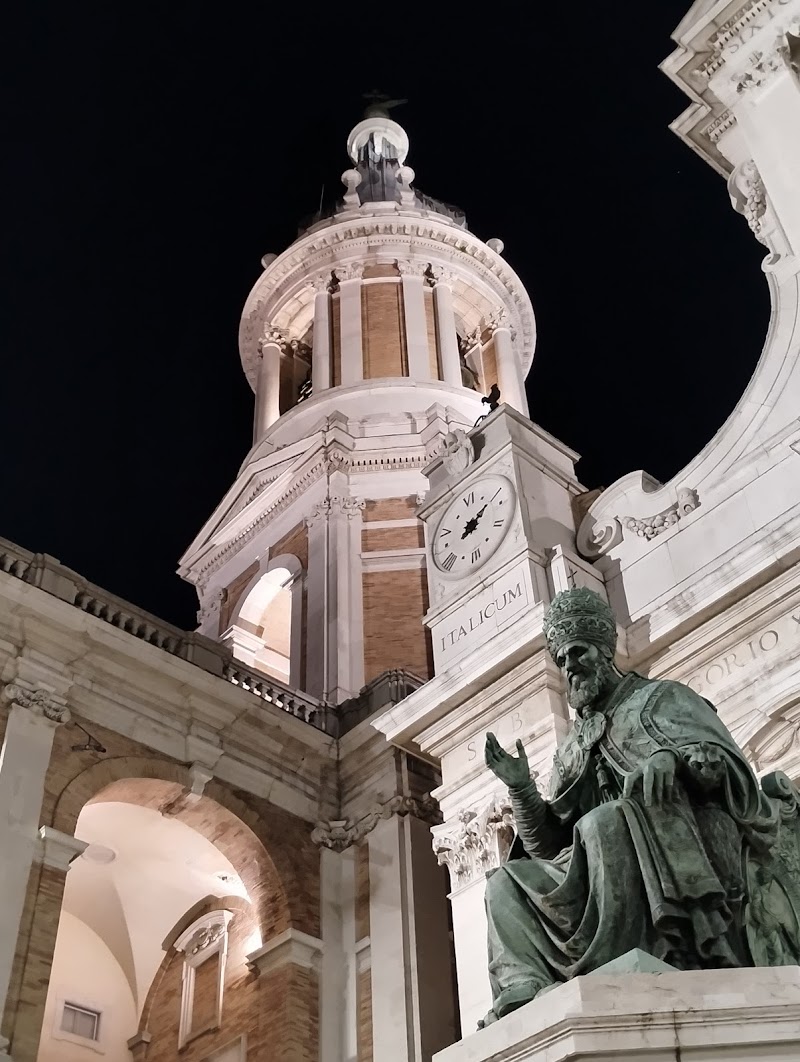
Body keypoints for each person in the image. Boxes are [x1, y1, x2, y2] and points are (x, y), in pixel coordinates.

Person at [481, 587, 800, 1026]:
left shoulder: (661, 698)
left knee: (604, 823)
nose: (569, 667)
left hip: (675, 830)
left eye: (578, 653)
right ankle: (524, 984)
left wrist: (675, 758)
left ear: (604, 652)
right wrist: (521, 790)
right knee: (505, 881)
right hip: (598, 855)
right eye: (561, 660)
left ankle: (632, 954)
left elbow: (724, 767)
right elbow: (546, 844)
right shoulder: (572, 747)